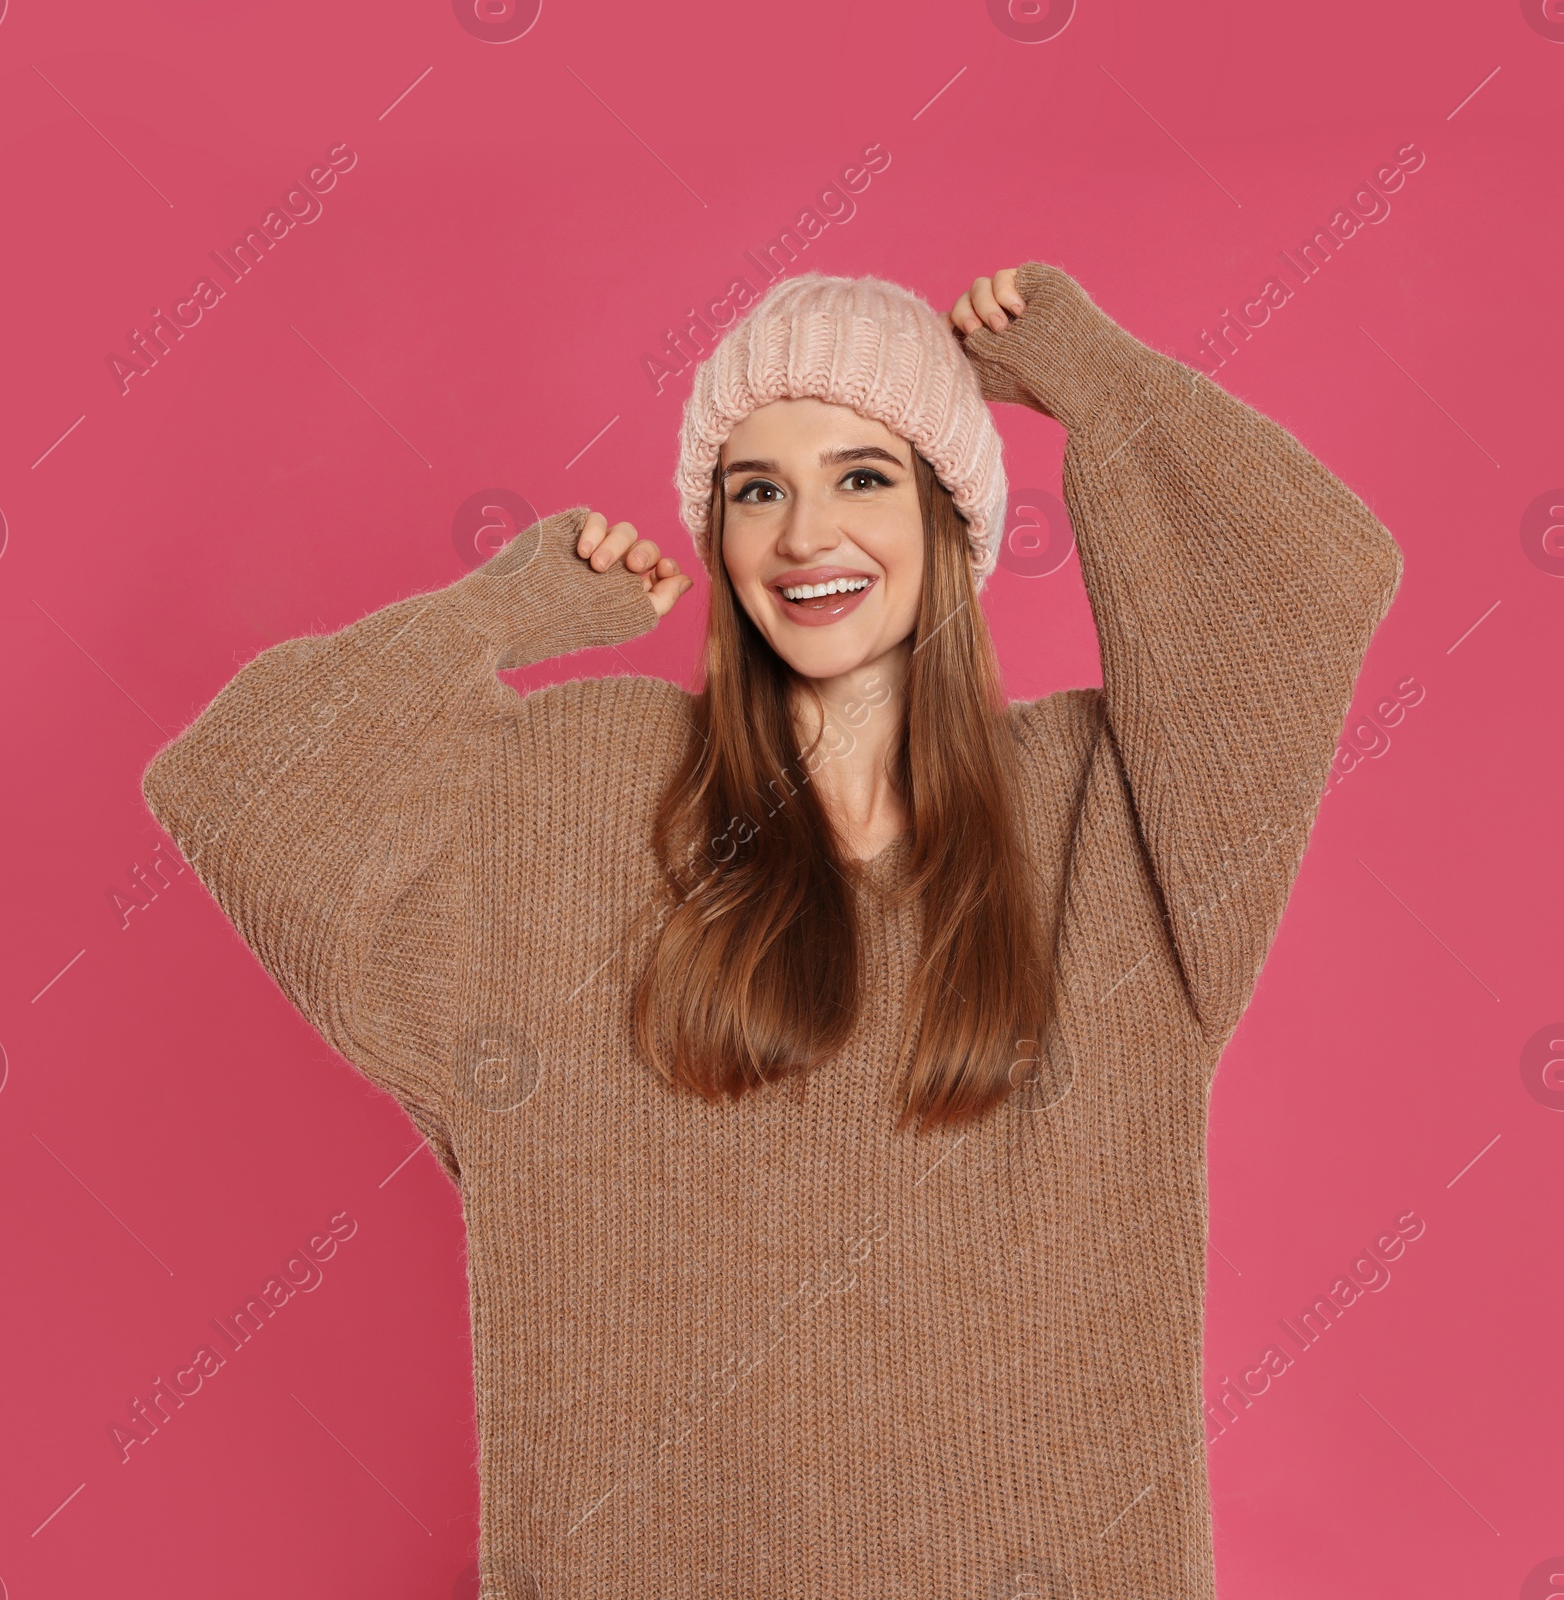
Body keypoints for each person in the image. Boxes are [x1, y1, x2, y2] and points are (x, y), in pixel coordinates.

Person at [141, 260, 1402, 1599]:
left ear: (952, 517)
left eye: (862, 475)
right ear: (720, 532)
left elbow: (1317, 578)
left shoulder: (1120, 812)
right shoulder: (584, 796)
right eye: (758, 489)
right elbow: (235, 787)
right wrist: (496, 614)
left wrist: (1096, 378)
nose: (806, 533)